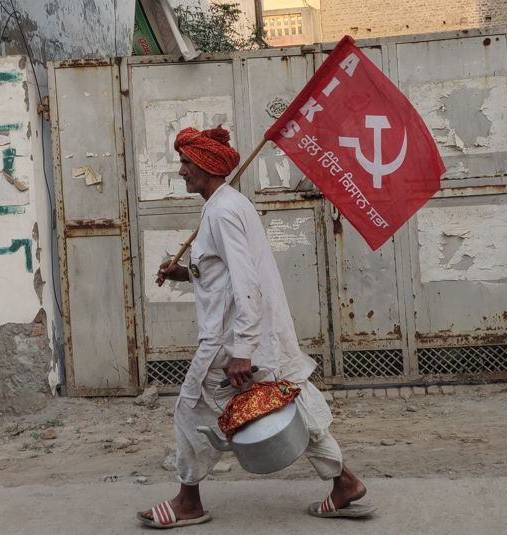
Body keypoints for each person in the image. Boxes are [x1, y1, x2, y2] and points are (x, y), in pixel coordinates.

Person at [137, 126, 375, 528]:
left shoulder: (224, 210)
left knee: (191, 409)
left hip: (234, 339)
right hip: (262, 334)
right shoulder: (226, 204)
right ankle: (344, 482)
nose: (180, 171)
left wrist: (243, 349)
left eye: (185, 163)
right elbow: (223, 272)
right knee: (292, 404)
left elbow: (245, 280)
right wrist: (185, 273)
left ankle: (188, 501)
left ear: (208, 166)